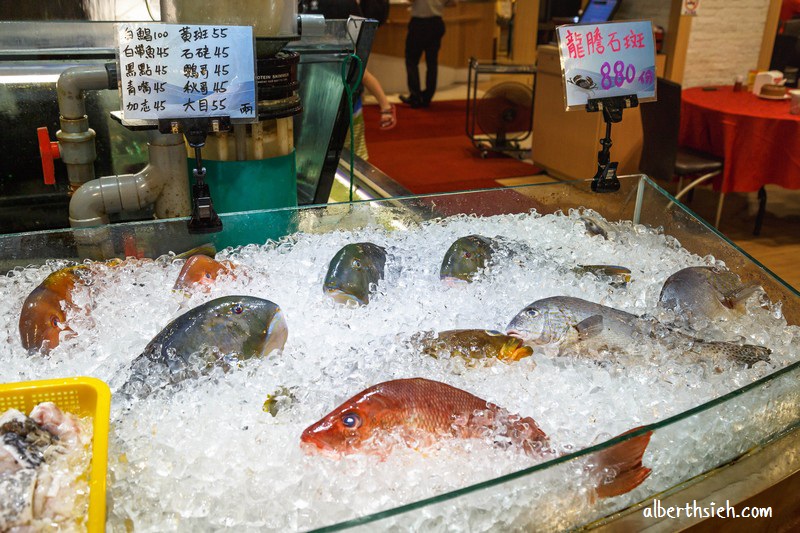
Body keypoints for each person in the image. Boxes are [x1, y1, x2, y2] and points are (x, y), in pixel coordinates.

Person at [399, 0, 447, 109]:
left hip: (419, 24)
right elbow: (453, 3)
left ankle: (415, 96)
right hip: (436, 22)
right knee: (432, 62)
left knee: (411, 60)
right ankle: (428, 96)